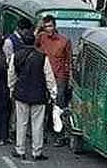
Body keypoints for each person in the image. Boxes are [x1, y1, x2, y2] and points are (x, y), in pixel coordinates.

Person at [9, 22, 58, 162]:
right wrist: (53, 94)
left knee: (21, 123)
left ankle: (20, 150)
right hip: (38, 94)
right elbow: (49, 78)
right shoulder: (42, 57)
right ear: (35, 42)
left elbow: (11, 75)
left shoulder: (16, 56)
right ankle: (37, 151)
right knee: (37, 124)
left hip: (21, 93)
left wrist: (11, 89)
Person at [35, 15, 72, 148]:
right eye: (46, 26)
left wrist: (68, 79)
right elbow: (32, 45)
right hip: (43, 77)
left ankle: (60, 136)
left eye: (50, 26)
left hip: (59, 78)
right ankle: (42, 134)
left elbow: (68, 62)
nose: (48, 29)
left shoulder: (64, 41)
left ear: (55, 26)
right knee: (42, 108)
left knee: (58, 108)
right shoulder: (41, 38)